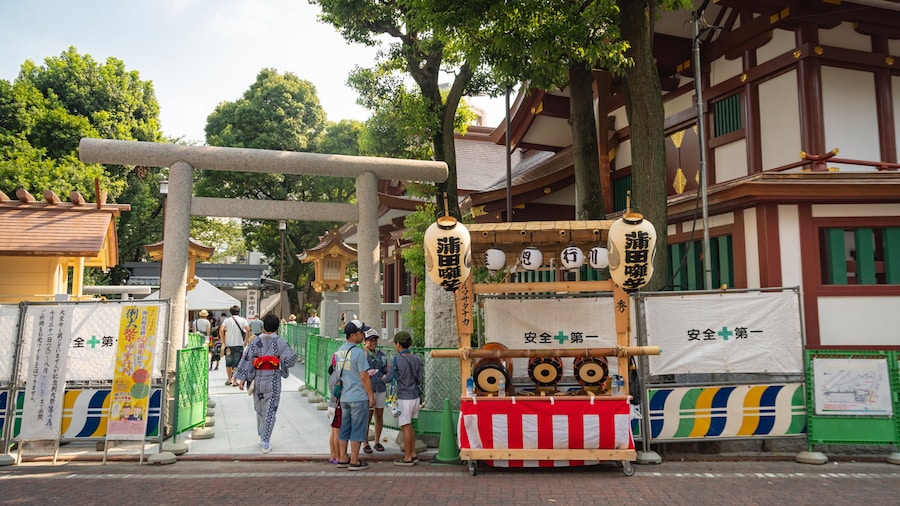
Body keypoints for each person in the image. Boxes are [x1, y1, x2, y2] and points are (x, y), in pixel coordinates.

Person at [234, 314, 297, 454]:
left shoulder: (255, 342)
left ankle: (262, 434)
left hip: (259, 379)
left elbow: (247, 359)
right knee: (270, 410)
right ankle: (266, 441)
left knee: (260, 409)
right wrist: (281, 363)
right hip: (273, 380)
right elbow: (291, 359)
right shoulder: (280, 342)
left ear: (263, 327)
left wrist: (242, 379)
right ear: (277, 328)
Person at [334, 319, 375, 471]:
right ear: (353, 335)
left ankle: (343, 458)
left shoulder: (339, 351)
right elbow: (364, 377)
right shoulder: (358, 352)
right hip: (358, 396)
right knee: (358, 428)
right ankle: (355, 460)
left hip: (344, 397)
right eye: (361, 332)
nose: (363, 335)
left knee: (345, 427)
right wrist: (371, 396)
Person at [383, 331, 423, 466]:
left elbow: (388, 378)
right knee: (410, 426)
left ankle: (407, 457)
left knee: (405, 427)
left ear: (399, 344)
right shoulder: (417, 358)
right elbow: (420, 379)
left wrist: (381, 377)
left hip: (404, 397)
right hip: (415, 396)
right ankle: (413, 454)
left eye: (395, 344)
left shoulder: (397, 359)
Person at [362, 328, 387, 454]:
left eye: (374, 340)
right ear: (365, 341)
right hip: (367, 390)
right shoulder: (362, 354)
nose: (372, 343)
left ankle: (377, 441)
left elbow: (385, 369)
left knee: (379, 415)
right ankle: (365, 442)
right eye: (370, 340)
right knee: (367, 417)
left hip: (380, 388)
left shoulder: (381, 355)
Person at [220, 305, 250, 387]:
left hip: (229, 345)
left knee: (228, 363)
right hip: (239, 344)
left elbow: (221, 329)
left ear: (230, 312)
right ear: (239, 312)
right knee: (237, 363)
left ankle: (229, 379)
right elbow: (247, 329)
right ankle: (235, 381)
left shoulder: (227, 321)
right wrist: (246, 340)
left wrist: (223, 340)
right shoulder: (243, 320)